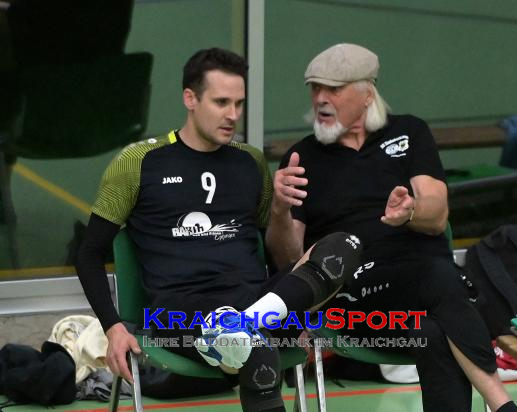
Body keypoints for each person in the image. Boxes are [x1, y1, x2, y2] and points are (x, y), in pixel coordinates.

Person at [76, 47, 362, 412]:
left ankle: (242, 327)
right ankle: (241, 332)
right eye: (222, 102)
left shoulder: (250, 162)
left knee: (345, 245)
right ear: (190, 98)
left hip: (253, 299)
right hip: (179, 313)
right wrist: (114, 327)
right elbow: (88, 254)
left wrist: (279, 209)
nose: (233, 115)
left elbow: (280, 258)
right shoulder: (137, 162)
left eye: (239, 104)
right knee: (257, 352)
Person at [266, 43, 517, 412]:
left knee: (432, 329)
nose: (320, 98)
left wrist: (410, 212)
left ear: (367, 92)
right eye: (314, 88)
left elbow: (436, 217)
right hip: (356, 298)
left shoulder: (409, 132)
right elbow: (291, 260)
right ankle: (502, 404)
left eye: (333, 89)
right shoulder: (303, 157)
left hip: (420, 294)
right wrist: (278, 210)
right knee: (439, 276)